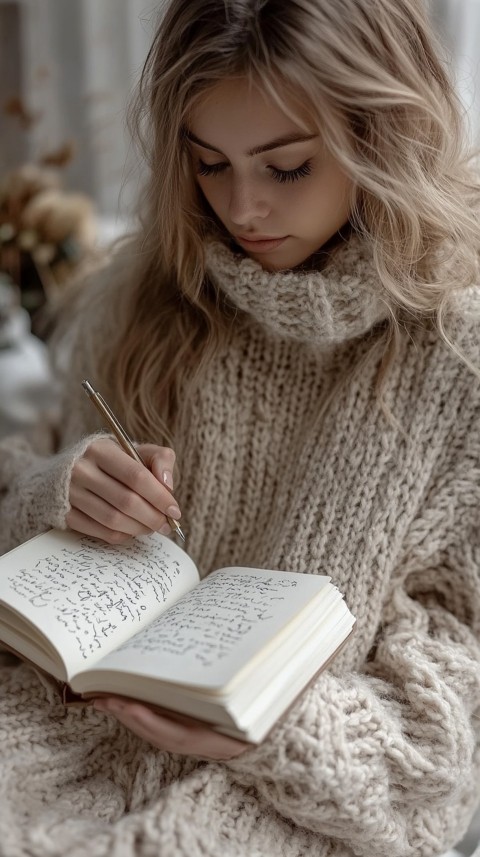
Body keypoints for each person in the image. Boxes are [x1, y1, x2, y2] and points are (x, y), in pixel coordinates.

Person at [0, 0, 479, 855]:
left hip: (282, 795)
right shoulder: (143, 305)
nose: (243, 208)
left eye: (287, 167)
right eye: (209, 163)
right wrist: (58, 493)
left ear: (385, 136)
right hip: (55, 741)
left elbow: (445, 747)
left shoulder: (457, 360)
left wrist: (268, 718)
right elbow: (45, 558)